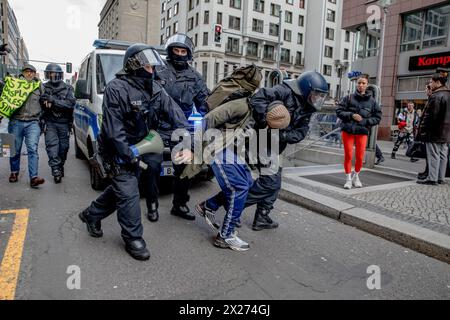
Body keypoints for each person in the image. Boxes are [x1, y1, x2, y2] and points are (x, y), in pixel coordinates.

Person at [79, 44, 190, 261]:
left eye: (152, 65)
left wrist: (185, 136)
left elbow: (174, 112)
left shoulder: (155, 88)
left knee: (122, 189)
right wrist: (126, 154)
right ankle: (133, 238)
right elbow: (113, 129)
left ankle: (91, 215)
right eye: (147, 66)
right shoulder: (116, 88)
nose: (152, 70)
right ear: (134, 65)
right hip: (117, 149)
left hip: (143, 144)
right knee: (129, 193)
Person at [197, 71, 329, 231]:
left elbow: (300, 133)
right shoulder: (284, 90)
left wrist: (281, 133)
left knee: (271, 183)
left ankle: (261, 216)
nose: (318, 99)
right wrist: (267, 120)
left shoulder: (309, 108)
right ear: (306, 89)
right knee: (266, 183)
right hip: (257, 140)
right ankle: (222, 206)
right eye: (316, 94)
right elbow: (257, 99)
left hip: (273, 145)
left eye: (320, 96)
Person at [194, 100, 291, 251]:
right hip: (218, 145)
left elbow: (252, 146)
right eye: (270, 127)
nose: (269, 129)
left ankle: (208, 206)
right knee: (238, 188)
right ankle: (225, 236)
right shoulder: (244, 108)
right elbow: (211, 118)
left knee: (247, 181)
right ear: (266, 118)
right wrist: (193, 147)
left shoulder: (263, 120)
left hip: (232, 151)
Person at [143, 33, 210, 223]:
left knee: (183, 169)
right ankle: (152, 205)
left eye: (183, 51)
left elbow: (205, 104)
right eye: (176, 50)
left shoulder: (196, 77)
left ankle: (179, 204)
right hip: (158, 127)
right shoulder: (158, 70)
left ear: (188, 54)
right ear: (170, 51)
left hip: (181, 129)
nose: (180, 54)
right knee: (152, 167)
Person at [0, 64, 45, 188]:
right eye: (27, 72)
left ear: (35, 73)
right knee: (14, 149)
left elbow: (45, 100)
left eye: (32, 72)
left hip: (33, 122)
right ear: (22, 73)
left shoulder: (39, 86)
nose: (29, 74)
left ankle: (34, 177)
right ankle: (14, 172)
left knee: (32, 149)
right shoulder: (14, 85)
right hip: (16, 121)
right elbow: (5, 100)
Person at [336, 74, 382, 190]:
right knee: (348, 155)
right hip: (348, 130)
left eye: (363, 83)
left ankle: (356, 176)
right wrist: (351, 115)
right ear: (357, 84)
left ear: (367, 85)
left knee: (360, 157)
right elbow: (339, 111)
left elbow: (377, 117)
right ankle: (348, 179)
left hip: (362, 131)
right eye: (359, 83)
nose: (361, 85)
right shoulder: (348, 98)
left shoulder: (372, 102)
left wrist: (365, 121)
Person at [40, 64, 76, 183]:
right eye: (50, 73)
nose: (52, 75)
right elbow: (39, 104)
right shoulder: (43, 87)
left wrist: (53, 101)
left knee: (64, 148)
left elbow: (70, 104)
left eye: (54, 73)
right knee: (52, 147)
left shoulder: (68, 88)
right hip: (50, 122)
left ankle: (60, 166)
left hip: (64, 123)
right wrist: (42, 100)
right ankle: (56, 170)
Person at [415, 70, 450, 185]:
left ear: (438, 82)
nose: (430, 84)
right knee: (443, 155)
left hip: (434, 131)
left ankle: (432, 178)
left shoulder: (436, 96)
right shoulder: (448, 94)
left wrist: (423, 130)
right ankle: (441, 178)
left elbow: (431, 117)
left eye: (432, 82)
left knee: (434, 155)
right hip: (446, 132)